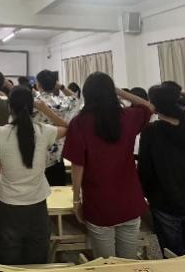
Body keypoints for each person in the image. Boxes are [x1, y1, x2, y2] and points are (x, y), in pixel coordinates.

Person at [63, 72, 154, 259]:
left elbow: (77, 167)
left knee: (106, 262)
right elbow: (149, 106)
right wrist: (119, 92)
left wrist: (76, 200)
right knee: (128, 261)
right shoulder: (128, 117)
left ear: (87, 95)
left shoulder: (79, 123)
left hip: (99, 202)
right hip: (130, 200)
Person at [0, 86, 68, 265]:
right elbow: (66, 127)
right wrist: (45, 109)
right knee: (36, 263)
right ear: (32, 108)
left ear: (10, 107)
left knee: (9, 263)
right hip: (37, 207)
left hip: (7, 208)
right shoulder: (43, 131)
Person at [138, 84, 185, 257]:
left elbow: (144, 168)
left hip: (165, 200)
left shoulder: (151, 130)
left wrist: (146, 195)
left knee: (173, 256)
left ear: (155, 105)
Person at [34, 69, 78, 186]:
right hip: (57, 155)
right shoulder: (63, 102)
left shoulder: (34, 103)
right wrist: (62, 87)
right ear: (55, 84)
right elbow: (76, 99)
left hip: (36, 156)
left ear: (38, 84)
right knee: (58, 192)